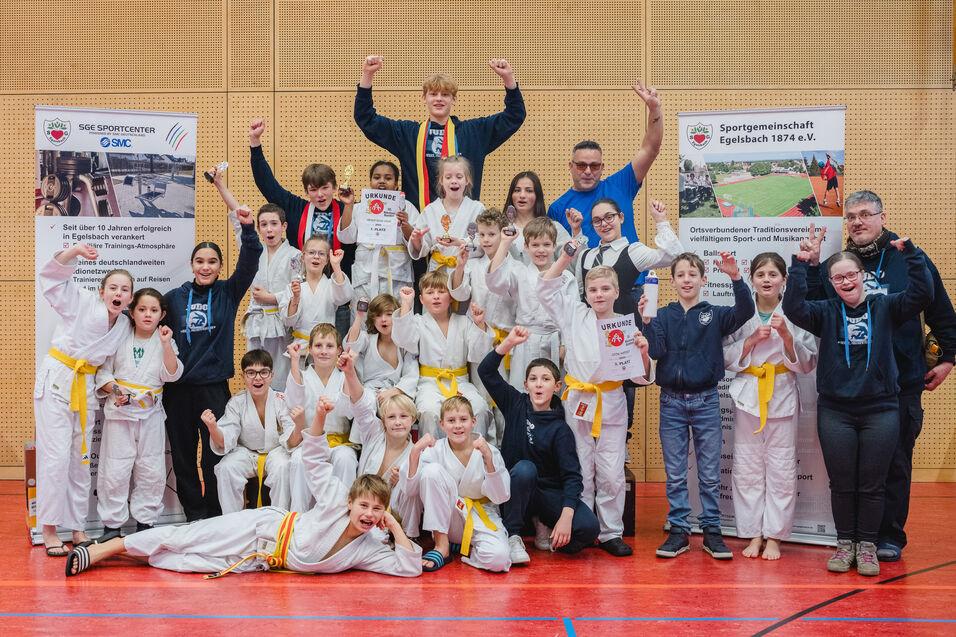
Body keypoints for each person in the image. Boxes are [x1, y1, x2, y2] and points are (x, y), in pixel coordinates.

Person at [65, 398, 422, 578]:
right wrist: (319, 418)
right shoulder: (335, 503)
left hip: (259, 560)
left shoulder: (369, 547)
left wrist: (391, 526)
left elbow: (409, 568)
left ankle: (129, 553)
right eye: (365, 506)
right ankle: (106, 549)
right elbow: (315, 462)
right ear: (351, 502)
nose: (369, 515)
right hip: (261, 527)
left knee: (182, 562)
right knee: (190, 537)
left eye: (377, 510)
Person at [801, 195, 956, 562]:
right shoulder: (837, 266)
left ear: (882, 217)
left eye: (865, 215)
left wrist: (948, 357)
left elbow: (941, 310)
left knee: (896, 463)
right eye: (851, 216)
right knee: (850, 471)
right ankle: (850, 540)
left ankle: (887, 537)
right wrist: (808, 266)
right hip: (847, 388)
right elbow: (809, 308)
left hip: (900, 382)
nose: (857, 222)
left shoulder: (906, 256)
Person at [783, 236, 933, 576]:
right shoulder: (825, 311)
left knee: (872, 484)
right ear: (832, 283)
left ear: (862, 275)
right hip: (836, 411)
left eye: (851, 275)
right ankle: (844, 543)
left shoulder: (886, 306)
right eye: (838, 278)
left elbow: (922, 294)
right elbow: (794, 308)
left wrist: (912, 255)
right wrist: (799, 266)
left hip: (881, 410)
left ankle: (867, 547)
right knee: (843, 483)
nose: (846, 282)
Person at [642, 252, 754, 560]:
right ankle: (679, 530)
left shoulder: (715, 314)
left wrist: (736, 278)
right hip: (671, 403)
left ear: (703, 279)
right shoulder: (663, 314)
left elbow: (745, 311)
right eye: (680, 275)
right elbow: (656, 349)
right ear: (673, 280)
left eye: (693, 274)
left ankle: (712, 532)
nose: (687, 280)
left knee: (708, 472)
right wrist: (648, 323)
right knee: (676, 472)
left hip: (706, 400)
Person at [539, 256, 653, 557]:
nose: (599, 294)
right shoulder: (574, 314)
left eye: (605, 289)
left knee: (612, 472)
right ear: (585, 294)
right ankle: (585, 525)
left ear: (617, 292)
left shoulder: (626, 326)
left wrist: (643, 352)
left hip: (612, 400)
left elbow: (641, 378)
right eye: (593, 290)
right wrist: (564, 258)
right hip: (579, 399)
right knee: (581, 467)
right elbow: (546, 288)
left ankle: (611, 532)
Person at [162, 205, 261, 521]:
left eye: (212, 262)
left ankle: (216, 513)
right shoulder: (173, 298)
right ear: (192, 265)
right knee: (184, 457)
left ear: (220, 267)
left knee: (216, 456)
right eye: (200, 261)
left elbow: (251, 258)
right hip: (177, 391)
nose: (206, 267)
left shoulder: (228, 293)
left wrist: (247, 228)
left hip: (214, 389)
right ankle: (194, 515)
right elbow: (143, 316)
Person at [35, 243, 133, 556]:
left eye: (125, 290)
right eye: (113, 287)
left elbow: (105, 367)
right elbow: (50, 277)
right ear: (102, 290)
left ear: (130, 297)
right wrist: (74, 251)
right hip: (58, 381)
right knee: (56, 457)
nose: (118, 293)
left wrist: (114, 389)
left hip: (87, 388)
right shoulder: (81, 301)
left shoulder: (123, 326)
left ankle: (77, 528)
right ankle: (48, 528)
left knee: (80, 460)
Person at [722, 253, 817, 560]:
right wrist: (749, 342)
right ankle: (752, 534)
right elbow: (722, 356)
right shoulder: (742, 314)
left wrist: (787, 337)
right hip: (747, 396)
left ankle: (774, 536)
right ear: (751, 279)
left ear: (784, 281)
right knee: (747, 467)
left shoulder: (795, 314)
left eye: (773, 274)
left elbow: (807, 363)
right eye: (760, 274)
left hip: (782, 395)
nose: (766, 279)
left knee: (781, 468)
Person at [478, 327, 601, 564]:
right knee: (525, 469)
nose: (538, 385)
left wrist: (566, 517)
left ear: (557, 386)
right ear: (525, 384)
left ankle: (544, 525)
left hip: (545, 494)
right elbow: (486, 371)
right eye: (533, 379)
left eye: (545, 379)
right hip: (514, 489)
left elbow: (573, 477)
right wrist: (509, 343)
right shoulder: (515, 403)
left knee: (588, 528)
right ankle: (513, 535)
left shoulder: (561, 428)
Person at [355, 55, 525, 213]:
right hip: (419, 224)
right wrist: (367, 75)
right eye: (433, 94)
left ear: (453, 99)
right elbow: (366, 119)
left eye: (445, 94)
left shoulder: (474, 133)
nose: (439, 99)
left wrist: (508, 79)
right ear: (424, 98)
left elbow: (514, 116)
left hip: (463, 225)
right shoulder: (407, 134)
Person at [548, 81, 663, 297]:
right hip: (591, 294)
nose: (588, 171)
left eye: (595, 165)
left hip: (633, 289)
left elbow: (651, 148)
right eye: (581, 165)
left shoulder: (620, 184)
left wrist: (654, 109)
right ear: (570, 166)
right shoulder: (557, 208)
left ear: (603, 167)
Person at [247, 118, 355, 337]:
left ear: (334, 187)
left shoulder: (349, 209)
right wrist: (255, 143)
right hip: (302, 288)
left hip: (337, 289)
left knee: (337, 348)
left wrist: (350, 207)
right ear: (306, 191)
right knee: (299, 346)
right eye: (313, 190)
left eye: (325, 188)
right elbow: (267, 183)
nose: (320, 195)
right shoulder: (296, 208)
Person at [93, 289, 183, 543]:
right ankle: (112, 525)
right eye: (142, 309)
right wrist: (115, 389)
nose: (147, 315)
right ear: (131, 312)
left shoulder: (165, 341)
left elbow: (172, 374)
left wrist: (166, 343)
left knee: (151, 468)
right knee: (115, 468)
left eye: (154, 311)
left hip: (151, 414)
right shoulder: (119, 338)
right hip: (120, 413)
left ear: (162, 315)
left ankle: (146, 522)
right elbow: (103, 374)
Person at [209, 166, 300, 390]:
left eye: (274, 224)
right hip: (256, 321)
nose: (269, 229)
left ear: (284, 227)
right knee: (255, 373)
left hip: (281, 322)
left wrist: (273, 297)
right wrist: (219, 184)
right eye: (263, 224)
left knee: (280, 375)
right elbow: (238, 214)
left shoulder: (295, 255)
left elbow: (299, 290)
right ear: (258, 228)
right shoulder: (252, 248)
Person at [402, 396, 511, 573]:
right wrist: (415, 452)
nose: (458, 425)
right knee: (432, 471)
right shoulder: (434, 450)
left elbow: (501, 496)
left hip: (480, 515)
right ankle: (441, 546)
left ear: (473, 421)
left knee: (498, 560)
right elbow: (410, 490)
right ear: (442, 425)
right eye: (451, 420)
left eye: (463, 420)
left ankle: (462, 547)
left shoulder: (488, 451)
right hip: (448, 520)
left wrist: (489, 461)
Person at [391, 273, 494, 439]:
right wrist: (406, 304)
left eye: (441, 291)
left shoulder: (464, 322)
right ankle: (431, 457)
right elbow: (403, 340)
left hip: (460, 381)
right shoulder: (418, 322)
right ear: (422, 299)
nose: (436, 297)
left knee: (480, 407)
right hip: (430, 384)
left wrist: (479, 323)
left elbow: (478, 354)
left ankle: (476, 455)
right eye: (430, 293)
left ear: (451, 297)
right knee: (428, 411)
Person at [202, 350, 299, 513]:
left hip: (276, 452)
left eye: (263, 372)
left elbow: (291, 438)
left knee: (283, 466)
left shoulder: (282, 401)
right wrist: (212, 427)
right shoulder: (236, 403)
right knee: (226, 467)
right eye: (251, 373)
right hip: (246, 453)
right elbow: (225, 441)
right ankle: (233, 524)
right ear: (243, 376)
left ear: (271, 375)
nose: (257, 378)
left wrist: (299, 425)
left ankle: (279, 521)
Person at [338, 349, 421, 537]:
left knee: (410, 482)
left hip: (391, 520)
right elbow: (361, 406)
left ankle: (407, 537)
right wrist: (350, 372)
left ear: (413, 419)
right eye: (391, 417)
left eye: (403, 416)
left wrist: (404, 482)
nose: (398, 422)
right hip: (360, 513)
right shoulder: (374, 432)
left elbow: (412, 497)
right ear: (383, 420)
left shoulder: (415, 454)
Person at [450, 208, 516, 441]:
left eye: (491, 234)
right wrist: (459, 265)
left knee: (506, 397)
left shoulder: (514, 265)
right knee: (482, 396)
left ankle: (506, 449)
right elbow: (459, 294)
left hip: (508, 339)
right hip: (480, 335)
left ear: (503, 235)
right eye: (482, 235)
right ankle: (483, 448)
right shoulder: (474, 265)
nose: (486, 240)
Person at [487, 217, 564, 392]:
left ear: (554, 246)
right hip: (525, 339)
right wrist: (505, 243)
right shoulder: (519, 272)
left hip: (554, 340)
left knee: (554, 392)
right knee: (521, 390)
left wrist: (565, 344)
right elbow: (495, 283)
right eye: (535, 245)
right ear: (526, 247)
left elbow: (573, 314)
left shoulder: (566, 277)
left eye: (546, 244)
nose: (541, 250)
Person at [285, 324, 358, 506]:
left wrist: (350, 372)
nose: (323, 351)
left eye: (329, 346)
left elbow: (348, 411)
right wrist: (294, 361)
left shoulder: (344, 377)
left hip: (339, 443)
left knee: (346, 458)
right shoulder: (301, 375)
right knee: (298, 460)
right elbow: (294, 403)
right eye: (318, 346)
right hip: (310, 443)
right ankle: (298, 517)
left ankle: (342, 516)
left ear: (339, 350)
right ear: (309, 349)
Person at [337, 161, 421, 304]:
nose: (382, 181)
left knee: (398, 317)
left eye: (388, 178)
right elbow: (346, 237)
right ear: (370, 181)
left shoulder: (407, 207)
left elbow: (418, 246)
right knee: (362, 318)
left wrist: (405, 225)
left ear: (396, 184)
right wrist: (348, 205)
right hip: (365, 274)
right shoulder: (359, 207)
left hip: (397, 274)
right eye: (377, 177)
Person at [409, 155, 485, 274]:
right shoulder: (431, 210)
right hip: (437, 273)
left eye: (459, 177)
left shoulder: (477, 209)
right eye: (448, 177)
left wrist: (460, 243)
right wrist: (417, 240)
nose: (454, 181)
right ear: (441, 180)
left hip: (466, 270)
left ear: (467, 180)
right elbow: (421, 250)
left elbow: (484, 243)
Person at [278, 236, 353, 350]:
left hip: (326, 347)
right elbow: (288, 321)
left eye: (321, 254)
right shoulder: (293, 287)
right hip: (300, 347)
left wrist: (336, 265)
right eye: (311, 252)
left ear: (327, 259)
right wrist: (296, 298)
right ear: (303, 257)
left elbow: (345, 297)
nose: (316, 257)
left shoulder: (330, 285)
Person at [344, 294, 419, 403]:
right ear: (373, 319)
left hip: (396, 394)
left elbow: (411, 374)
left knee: (398, 409)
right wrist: (359, 315)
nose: (383, 319)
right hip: (370, 394)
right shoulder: (368, 339)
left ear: (396, 317)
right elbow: (350, 346)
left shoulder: (404, 345)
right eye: (378, 315)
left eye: (389, 314)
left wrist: (395, 391)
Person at [502, 171, 570, 266]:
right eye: (517, 190)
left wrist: (576, 231)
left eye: (529, 191)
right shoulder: (501, 228)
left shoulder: (554, 227)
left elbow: (570, 260)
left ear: (537, 196)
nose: (522, 195)